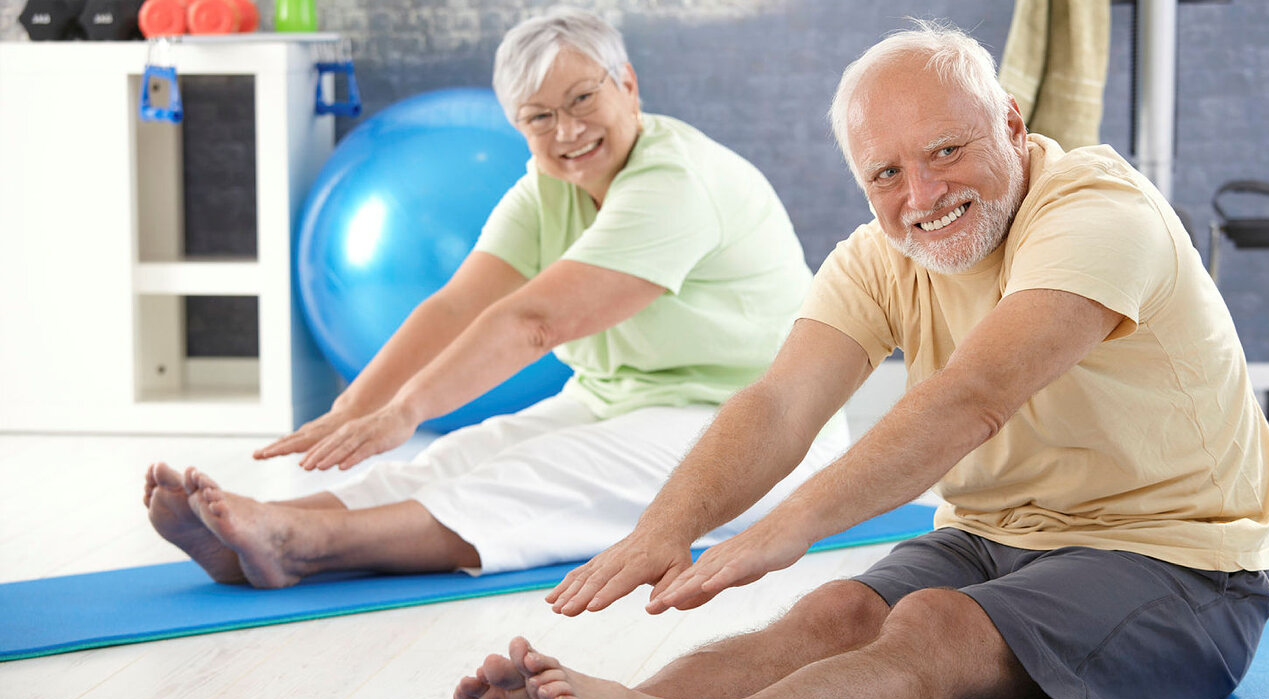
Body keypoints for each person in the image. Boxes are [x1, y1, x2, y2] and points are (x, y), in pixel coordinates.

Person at [454, 19, 1269, 699]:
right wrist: (670, 525)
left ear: (1014, 126)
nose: (920, 195)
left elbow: (973, 398)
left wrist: (791, 524)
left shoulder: (1099, 216)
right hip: (993, 538)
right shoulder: (880, 257)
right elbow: (781, 402)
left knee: (937, 628)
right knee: (832, 612)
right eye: (886, 172)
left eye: (947, 151)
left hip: (1181, 571)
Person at [143, 7, 846, 588]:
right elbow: (454, 306)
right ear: (517, 125)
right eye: (539, 118)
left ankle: (306, 544)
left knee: (547, 474)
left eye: (582, 100)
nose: (566, 132)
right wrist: (356, 408)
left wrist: (408, 409)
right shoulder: (549, 189)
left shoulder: (674, 183)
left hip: (768, 428)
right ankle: (256, 531)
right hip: (629, 401)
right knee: (465, 453)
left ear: (626, 83)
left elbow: (535, 322)